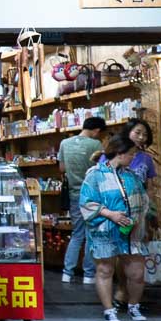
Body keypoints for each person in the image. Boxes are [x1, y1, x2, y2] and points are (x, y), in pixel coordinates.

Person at [80, 134, 155, 321]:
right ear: (120, 154)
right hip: (104, 231)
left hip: (132, 232)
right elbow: (87, 202)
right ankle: (109, 310)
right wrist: (111, 214)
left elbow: (143, 200)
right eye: (131, 154)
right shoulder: (95, 174)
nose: (133, 158)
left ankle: (133, 305)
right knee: (105, 269)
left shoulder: (131, 175)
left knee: (137, 272)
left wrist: (143, 221)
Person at [58, 116, 106, 284]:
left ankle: (67, 272)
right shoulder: (96, 145)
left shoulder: (65, 143)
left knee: (77, 234)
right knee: (91, 234)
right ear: (97, 130)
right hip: (92, 194)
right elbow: (101, 170)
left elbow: (62, 168)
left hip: (73, 193)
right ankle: (88, 274)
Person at [98, 118, 158, 189]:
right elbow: (99, 182)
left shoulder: (146, 158)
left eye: (145, 135)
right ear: (128, 131)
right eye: (137, 133)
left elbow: (150, 187)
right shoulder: (110, 155)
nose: (141, 137)